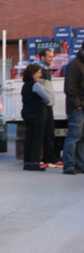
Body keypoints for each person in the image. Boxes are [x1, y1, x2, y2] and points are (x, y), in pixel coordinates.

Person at [20, 63, 51, 171]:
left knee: (29, 137)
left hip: (27, 113)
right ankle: (34, 161)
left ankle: (27, 160)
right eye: (38, 73)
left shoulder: (25, 86)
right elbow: (47, 98)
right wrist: (43, 101)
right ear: (32, 74)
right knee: (37, 138)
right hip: (38, 113)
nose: (40, 75)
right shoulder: (36, 85)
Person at [35, 49, 60, 168]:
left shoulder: (45, 70)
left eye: (52, 57)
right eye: (49, 57)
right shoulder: (38, 70)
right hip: (43, 106)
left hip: (48, 105)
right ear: (42, 57)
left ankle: (49, 158)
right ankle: (41, 158)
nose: (51, 59)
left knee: (49, 133)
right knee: (43, 133)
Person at [62, 43, 84, 175]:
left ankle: (81, 165)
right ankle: (69, 165)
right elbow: (70, 88)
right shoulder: (74, 64)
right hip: (78, 108)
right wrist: (78, 105)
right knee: (74, 136)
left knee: (82, 138)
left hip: (81, 106)